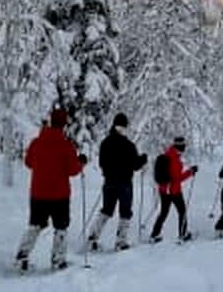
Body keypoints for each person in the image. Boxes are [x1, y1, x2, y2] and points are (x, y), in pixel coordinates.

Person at [15, 108, 87, 271]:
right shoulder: (66, 146)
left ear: (50, 122)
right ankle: (58, 260)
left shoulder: (36, 142)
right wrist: (81, 162)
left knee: (35, 225)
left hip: (38, 193)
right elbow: (73, 170)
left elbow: (28, 163)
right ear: (64, 125)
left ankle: (22, 256)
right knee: (61, 227)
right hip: (59, 195)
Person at [87, 113, 148, 251]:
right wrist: (143, 159)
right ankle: (121, 242)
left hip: (109, 182)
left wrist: (109, 171)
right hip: (125, 183)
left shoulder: (105, 143)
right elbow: (135, 165)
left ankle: (92, 237)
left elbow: (101, 162)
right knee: (125, 211)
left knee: (107, 210)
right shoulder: (128, 145)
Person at [149, 136, 198, 243]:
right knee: (182, 211)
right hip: (173, 191)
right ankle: (183, 234)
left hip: (163, 190)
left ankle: (154, 234)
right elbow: (177, 178)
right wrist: (190, 171)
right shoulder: (174, 158)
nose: (185, 147)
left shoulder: (169, 154)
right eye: (183, 145)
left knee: (163, 212)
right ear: (180, 146)